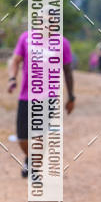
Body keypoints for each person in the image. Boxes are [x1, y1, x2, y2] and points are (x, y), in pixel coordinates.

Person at [7, 29, 75, 177]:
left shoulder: (62, 43)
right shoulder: (25, 38)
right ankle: (31, 158)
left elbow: (68, 70)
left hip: (48, 97)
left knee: (38, 134)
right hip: (26, 96)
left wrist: (71, 97)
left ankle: (33, 166)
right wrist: (12, 78)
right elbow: (15, 60)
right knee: (22, 136)